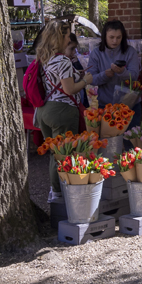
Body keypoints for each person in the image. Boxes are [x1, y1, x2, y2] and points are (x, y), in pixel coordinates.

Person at [34, 21, 94, 199]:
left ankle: (55, 192)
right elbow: (69, 89)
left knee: (55, 154)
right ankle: (60, 194)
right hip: (62, 111)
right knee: (65, 155)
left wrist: (77, 75)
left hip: (45, 110)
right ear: (60, 37)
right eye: (68, 35)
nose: (70, 39)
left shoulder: (46, 57)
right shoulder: (63, 60)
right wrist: (86, 80)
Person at [88, 19, 142, 126]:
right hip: (106, 104)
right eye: (111, 37)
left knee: (131, 140)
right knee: (110, 141)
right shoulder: (96, 53)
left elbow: (134, 76)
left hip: (129, 104)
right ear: (104, 37)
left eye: (118, 37)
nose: (115, 41)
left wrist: (122, 72)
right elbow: (91, 79)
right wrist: (105, 75)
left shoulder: (130, 52)